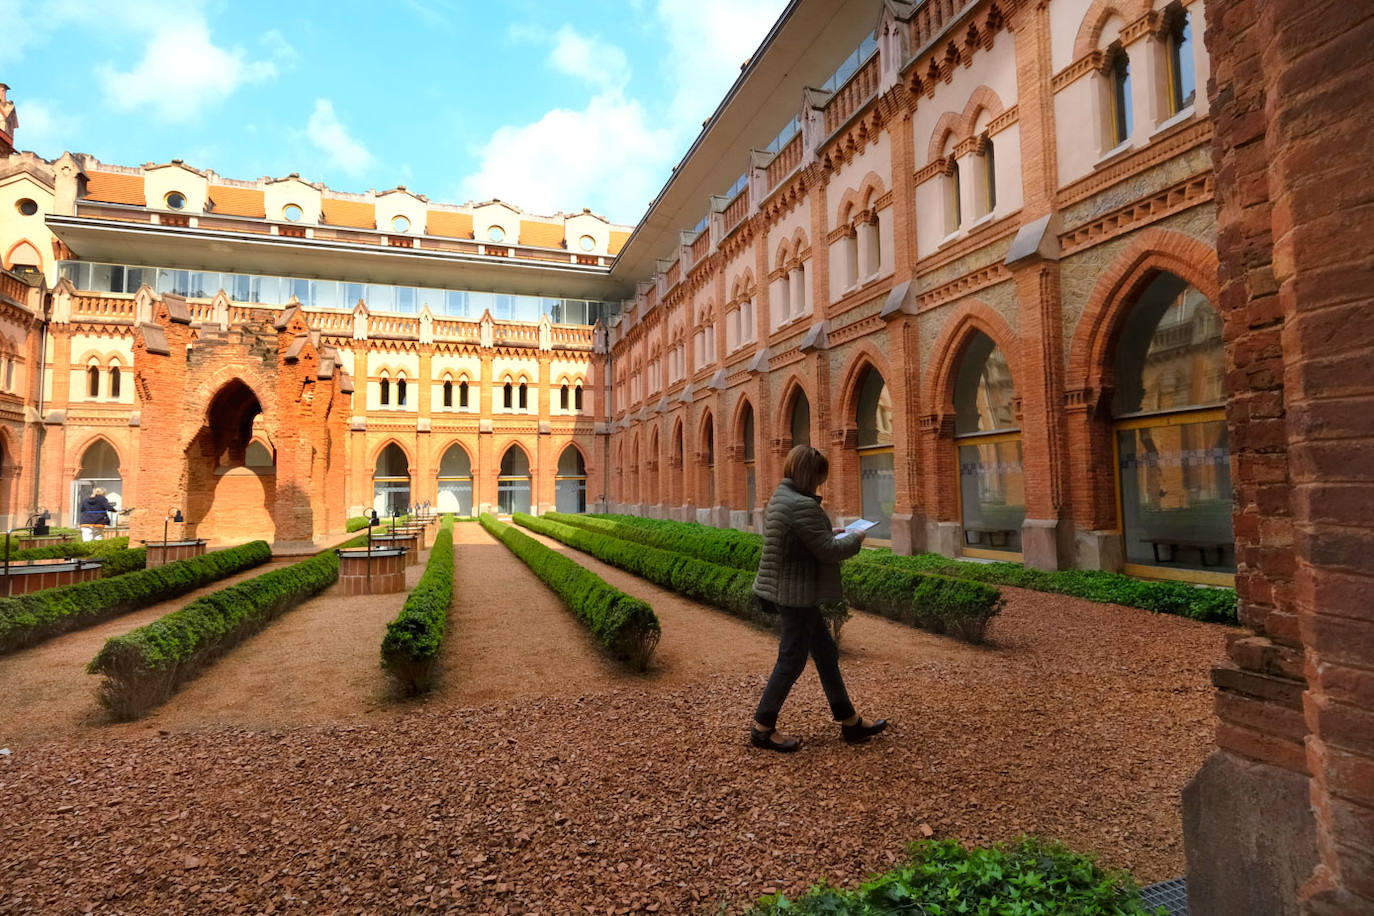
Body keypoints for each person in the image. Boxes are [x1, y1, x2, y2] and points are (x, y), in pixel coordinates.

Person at [750, 445, 888, 752]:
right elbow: (829, 551)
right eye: (819, 476)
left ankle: (849, 721)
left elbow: (806, 539)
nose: (820, 483)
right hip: (797, 595)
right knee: (791, 660)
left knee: (825, 654)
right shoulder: (802, 505)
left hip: (794, 591)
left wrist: (831, 531)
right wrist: (856, 537)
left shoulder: (781, 497)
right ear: (808, 474)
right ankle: (762, 727)